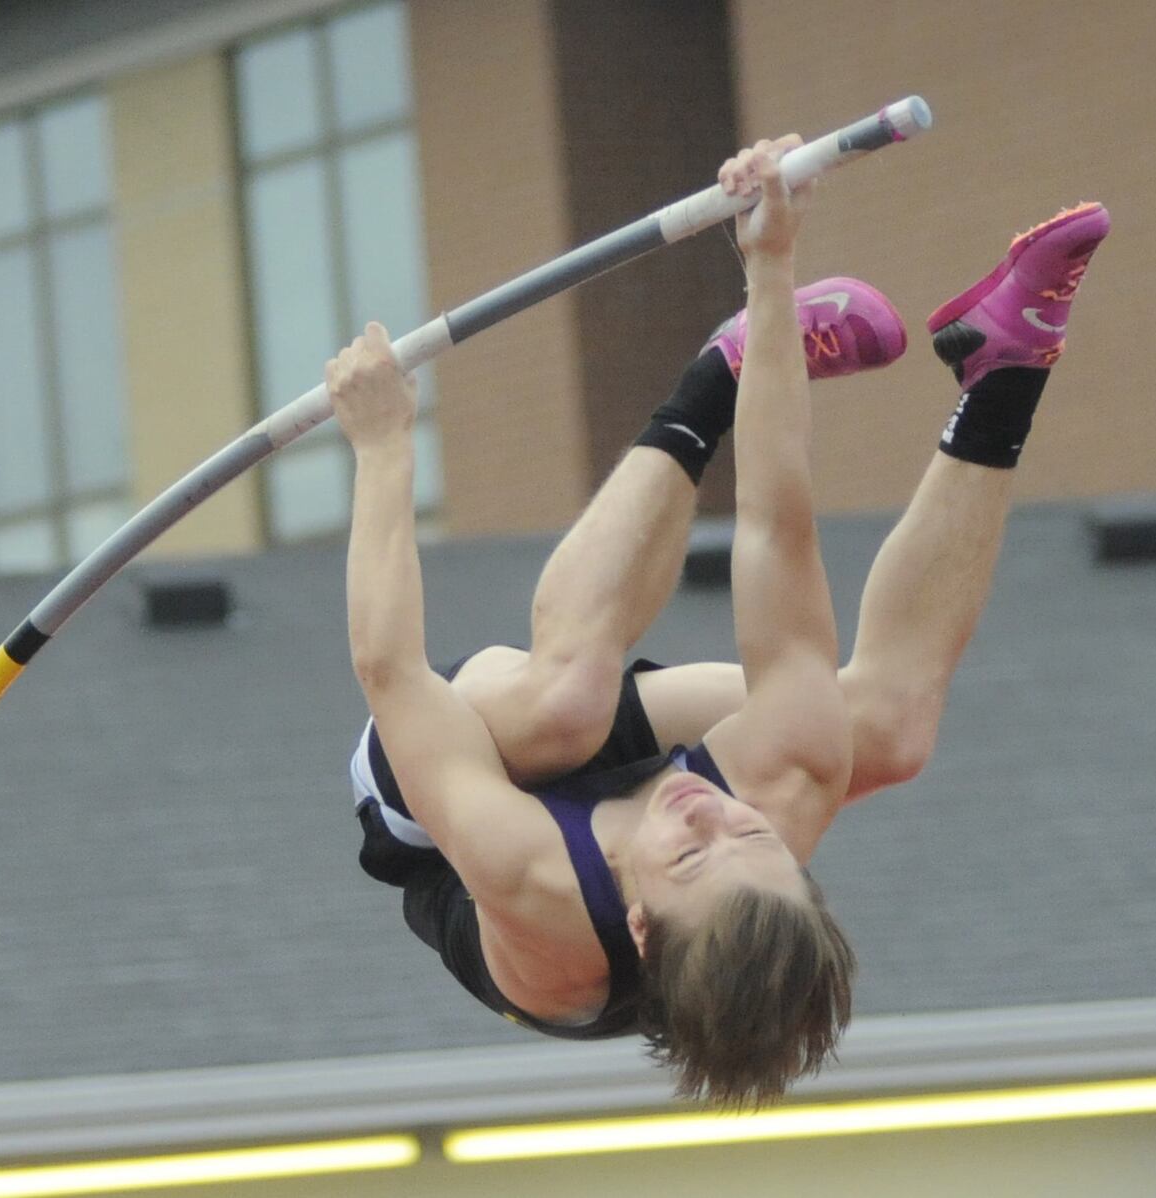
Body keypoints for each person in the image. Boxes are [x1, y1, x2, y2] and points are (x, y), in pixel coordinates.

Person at [330, 134, 1109, 1107]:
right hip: (646, 831)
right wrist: (771, 269)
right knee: (883, 729)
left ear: (643, 925)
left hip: (437, 813)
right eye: (750, 837)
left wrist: (382, 441)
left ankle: (705, 385)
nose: (708, 810)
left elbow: (390, 667)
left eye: (694, 852)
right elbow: (777, 533)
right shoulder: (776, 799)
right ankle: (1004, 369)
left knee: (570, 699)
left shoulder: (535, 891)